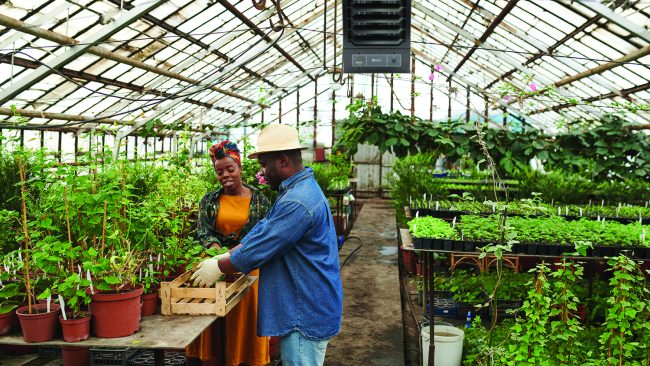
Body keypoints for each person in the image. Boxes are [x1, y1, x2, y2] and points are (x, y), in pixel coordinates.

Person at [191, 124, 344, 366]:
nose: (262, 173)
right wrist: (222, 256)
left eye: (264, 165)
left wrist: (220, 266)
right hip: (301, 304)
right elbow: (262, 233)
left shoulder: (298, 201)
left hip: (304, 312)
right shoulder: (294, 191)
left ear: (283, 161)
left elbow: (261, 247)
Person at [187, 140, 271, 366]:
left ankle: (243, 359)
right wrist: (217, 255)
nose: (225, 175)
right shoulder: (210, 200)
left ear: (240, 167)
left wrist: (230, 258)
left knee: (244, 323)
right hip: (213, 269)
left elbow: (260, 237)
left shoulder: (260, 202)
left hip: (247, 269)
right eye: (219, 171)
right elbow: (203, 232)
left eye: (229, 169)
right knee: (213, 326)